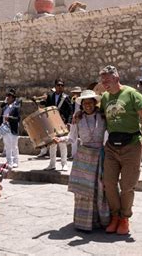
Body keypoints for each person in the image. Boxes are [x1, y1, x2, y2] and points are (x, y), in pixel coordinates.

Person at [99, 65, 142, 235]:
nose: (104, 83)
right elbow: (99, 116)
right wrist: (79, 115)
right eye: (102, 81)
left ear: (116, 77)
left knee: (128, 185)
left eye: (107, 80)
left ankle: (124, 218)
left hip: (131, 146)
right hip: (112, 147)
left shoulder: (131, 94)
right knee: (109, 183)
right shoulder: (105, 98)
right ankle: (115, 216)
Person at [53, 90, 109, 231]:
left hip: (99, 157)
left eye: (90, 102)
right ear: (82, 105)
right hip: (83, 159)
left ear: (95, 103)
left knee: (100, 189)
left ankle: (100, 221)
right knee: (83, 191)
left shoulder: (103, 117)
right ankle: (83, 222)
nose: (88, 105)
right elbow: (72, 138)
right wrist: (60, 139)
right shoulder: (77, 118)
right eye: (85, 103)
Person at [43, 78, 73, 171]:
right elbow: (46, 109)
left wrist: (68, 122)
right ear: (55, 86)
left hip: (62, 123)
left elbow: (70, 111)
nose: (60, 87)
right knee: (52, 144)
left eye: (62, 85)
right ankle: (52, 164)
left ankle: (64, 164)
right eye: (58, 85)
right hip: (52, 123)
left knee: (62, 143)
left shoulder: (66, 97)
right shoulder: (50, 96)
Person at [0, 88, 21, 168]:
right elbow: (1, 117)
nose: (7, 98)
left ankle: (16, 161)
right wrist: (0, 126)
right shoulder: (5, 107)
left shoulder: (16, 107)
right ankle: (9, 161)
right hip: (4, 128)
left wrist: (10, 118)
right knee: (7, 145)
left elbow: (18, 119)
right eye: (7, 96)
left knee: (14, 146)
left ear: (13, 98)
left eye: (9, 96)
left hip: (12, 128)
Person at [69, 86, 82, 158]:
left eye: (77, 92)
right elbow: (72, 110)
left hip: (81, 118)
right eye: (74, 92)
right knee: (73, 136)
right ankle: (73, 154)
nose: (75, 94)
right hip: (74, 119)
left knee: (83, 137)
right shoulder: (73, 100)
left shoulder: (82, 100)